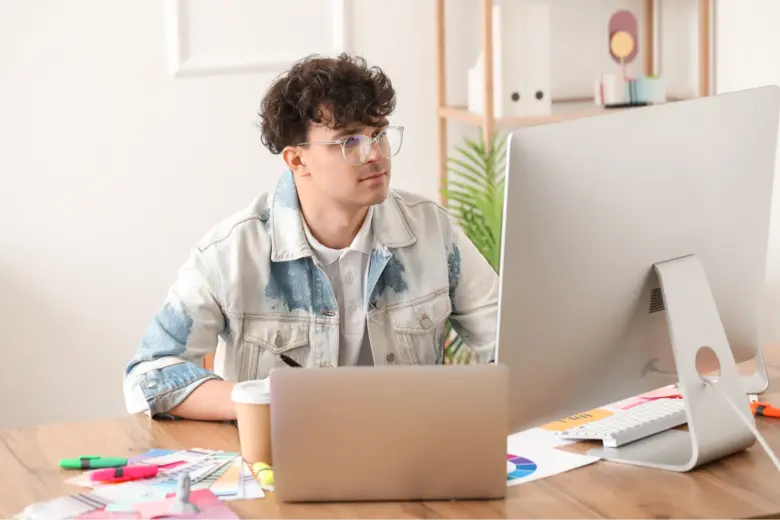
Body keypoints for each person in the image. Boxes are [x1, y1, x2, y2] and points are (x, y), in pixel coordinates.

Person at [123, 53, 499, 421]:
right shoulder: (231, 253)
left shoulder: (432, 232)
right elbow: (148, 376)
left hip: (415, 461)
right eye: (350, 141)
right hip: (279, 466)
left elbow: (510, 343)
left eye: (379, 134)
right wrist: (261, 401)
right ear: (296, 160)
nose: (375, 155)